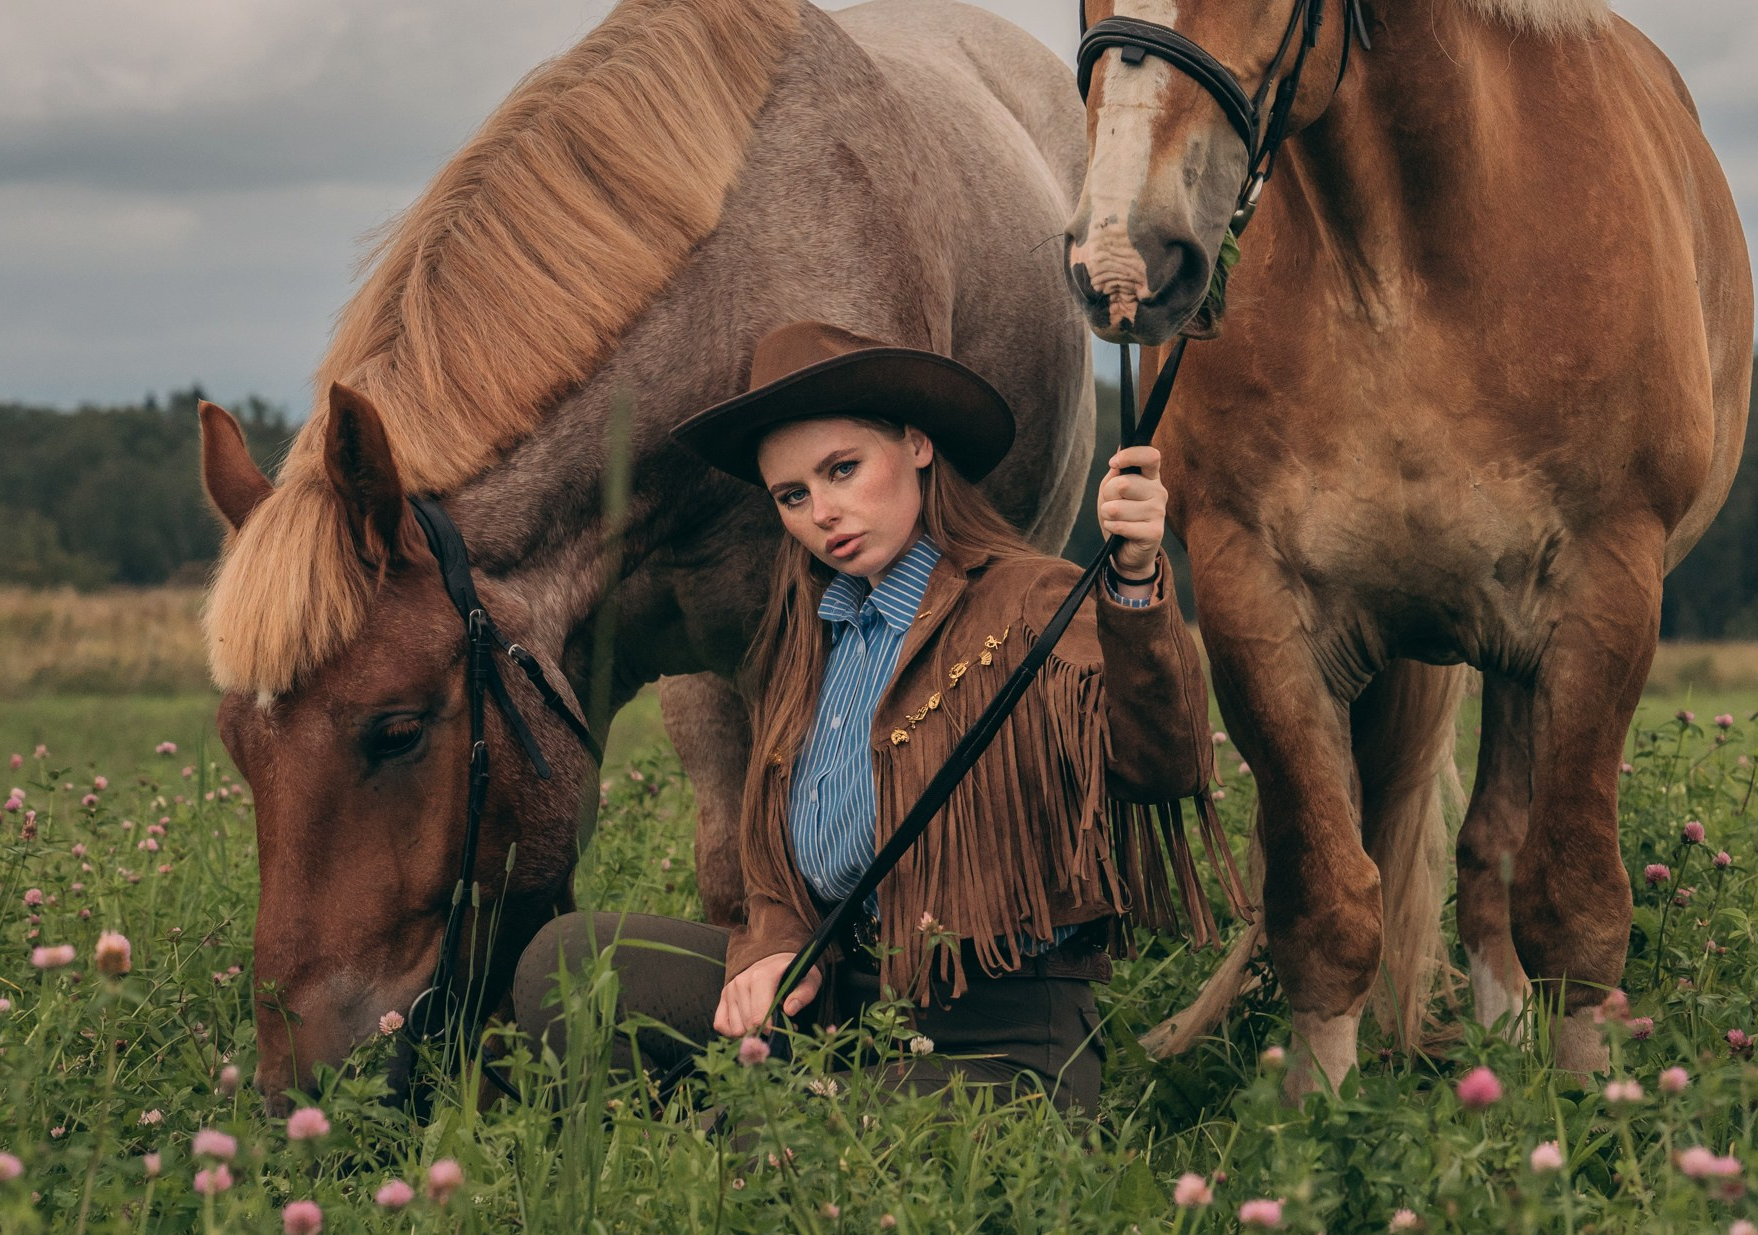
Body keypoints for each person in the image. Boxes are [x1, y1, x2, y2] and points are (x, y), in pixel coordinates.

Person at [513, 320, 1225, 1110]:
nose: (822, 511)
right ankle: (708, 1130)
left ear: (917, 444)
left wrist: (1132, 583)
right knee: (567, 961)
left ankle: (726, 1127)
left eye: (843, 469)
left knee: (758, 1140)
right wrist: (775, 949)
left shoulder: (1032, 601)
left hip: (1002, 1040)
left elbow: (1165, 764)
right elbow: (777, 857)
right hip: (847, 1002)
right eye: (793, 494)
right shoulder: (811, 638)